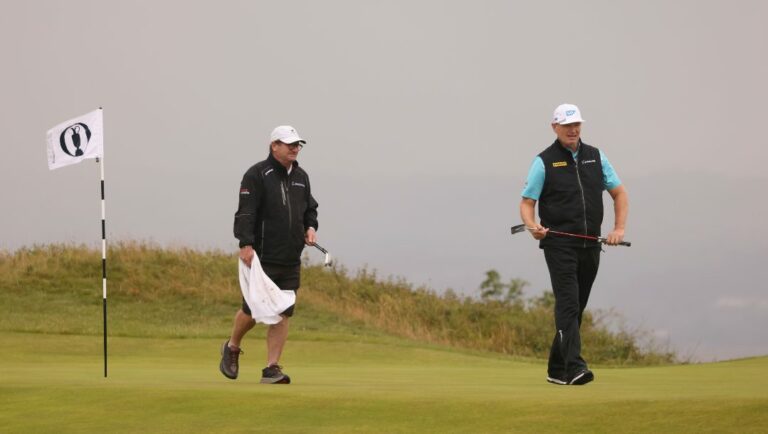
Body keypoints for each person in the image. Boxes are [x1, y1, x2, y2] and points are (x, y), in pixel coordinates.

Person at [519, 103, 628, 386]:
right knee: (567, 304)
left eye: (576, 124)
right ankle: (575, 367)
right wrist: (533, 228)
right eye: (567, 125)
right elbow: (527, 203)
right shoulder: (543, 161)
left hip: (591, 245)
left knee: (577, 307)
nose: (573, 129)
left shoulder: (596, 156)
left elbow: (619, 194)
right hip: (559, 246)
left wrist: (618, 229)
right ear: (555, 127)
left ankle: (557, 369)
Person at [219, 125, 319, 384]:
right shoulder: (257, 174)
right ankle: (232, 346)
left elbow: (310, 208)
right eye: (289, 144)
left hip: (290, 256)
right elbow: (246, 211)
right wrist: (245, 244)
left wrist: (310, 228)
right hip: (261, 255)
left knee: (283, 311)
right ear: (274, 145)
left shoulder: (301, 177)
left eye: (297, 144)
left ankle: (271, 368)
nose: (295, 148)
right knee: (253, 311)